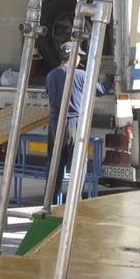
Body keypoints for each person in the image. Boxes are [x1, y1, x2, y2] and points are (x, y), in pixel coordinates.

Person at [44, 40, 109, 204]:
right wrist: (111, 77)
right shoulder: (81, 75)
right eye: (79, 55)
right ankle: (74, 203)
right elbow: (100, 91)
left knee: (55, 165)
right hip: (74, 123)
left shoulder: (51, 75)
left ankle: (50, 204)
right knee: (77, 164)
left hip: (55, 125)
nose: (80, 59)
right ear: (74, 57)